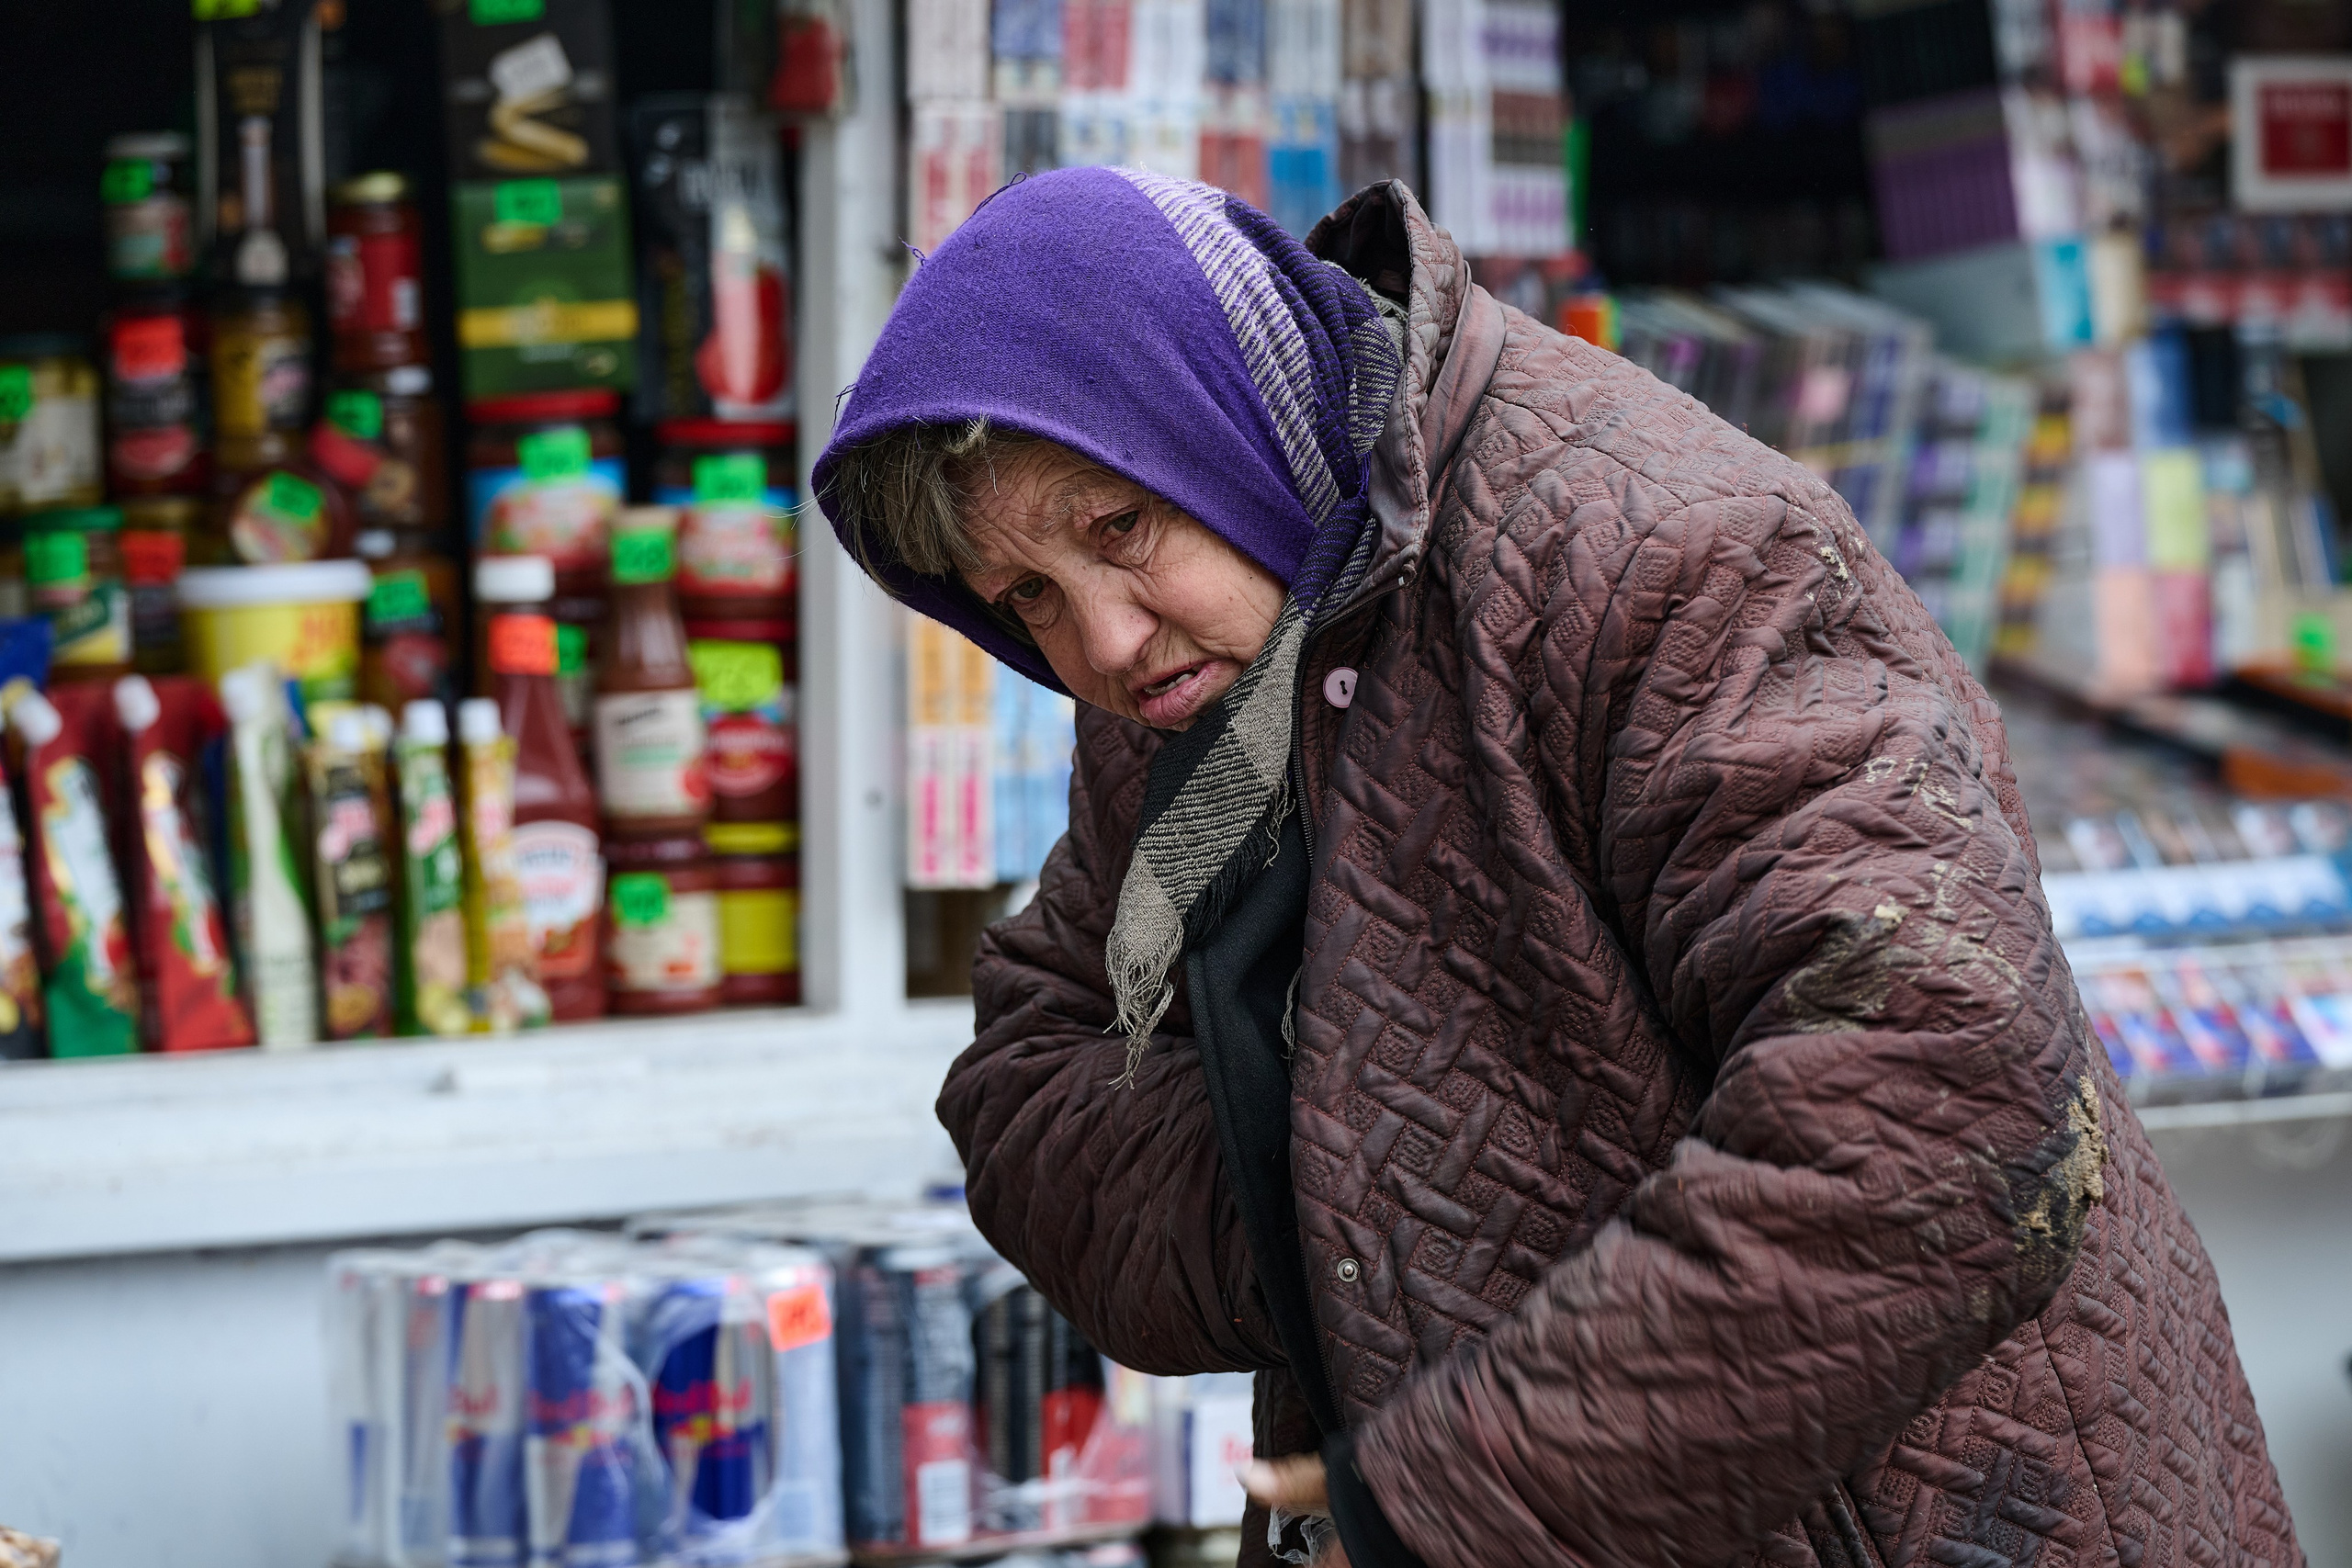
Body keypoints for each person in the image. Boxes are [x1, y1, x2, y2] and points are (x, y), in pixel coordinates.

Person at [815, 169, 2301, 1568]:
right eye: (1026, 596)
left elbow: (1939, 1101)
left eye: (1119, 526)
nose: (1101, 638)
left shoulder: (1662, 550)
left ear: (1213, 416)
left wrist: (1467, 1456)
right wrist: (1361, 1209)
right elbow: (1032, 1074)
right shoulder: (1198, 671)